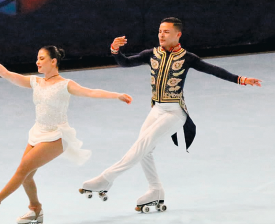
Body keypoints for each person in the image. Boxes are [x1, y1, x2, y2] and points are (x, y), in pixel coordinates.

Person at [79, 17, 262, 212]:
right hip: (156, 110)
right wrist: (115, 50)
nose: (161, 35)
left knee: (141, 145)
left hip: (174, 113)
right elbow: (124, 63)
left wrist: (241, 79)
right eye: (160, 31)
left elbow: (214, 70)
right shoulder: (151, 54)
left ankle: (106, 179)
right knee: (144, 150)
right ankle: (155, 190)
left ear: (178, 34)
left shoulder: (187, 57)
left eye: (166, 32)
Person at [0, 41, 133, 223]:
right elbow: (6, 74)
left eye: (41, 58)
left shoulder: (65, 84)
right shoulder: (35, 82)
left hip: (57, 136)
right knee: (27, 177)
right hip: (37, 133)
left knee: (22, 169)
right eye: (37, 59)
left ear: (53, 61)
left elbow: (91, 92)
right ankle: (35, 210)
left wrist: (116, 95)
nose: (37, 62)